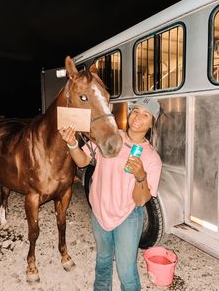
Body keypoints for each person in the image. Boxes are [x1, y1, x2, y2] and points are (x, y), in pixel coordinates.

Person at [60, 97, 162, 291]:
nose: (138, 117)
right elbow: (82, 162)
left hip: (127, 217)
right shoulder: (110, 136)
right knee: (103, 261)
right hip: (99, 212)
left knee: (126, 271)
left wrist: (141, 176)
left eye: (146, 114)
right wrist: (72, 143)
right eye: (135, 111)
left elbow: (140, 201)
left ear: (152, 123)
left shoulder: (151, 158)